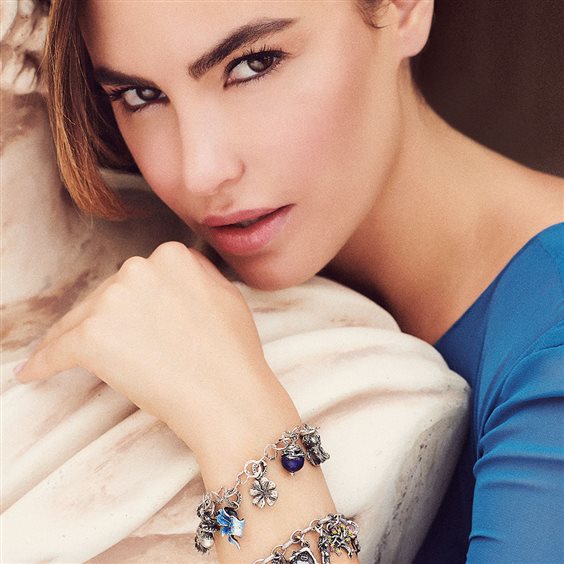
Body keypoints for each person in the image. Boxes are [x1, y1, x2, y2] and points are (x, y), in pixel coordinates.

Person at [16, 0, 563, 562]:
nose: (201, 171)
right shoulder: (153, 287)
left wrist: (238, 419)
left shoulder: (551, 348)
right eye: (140, 95)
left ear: (402, 9)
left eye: (253, 64)